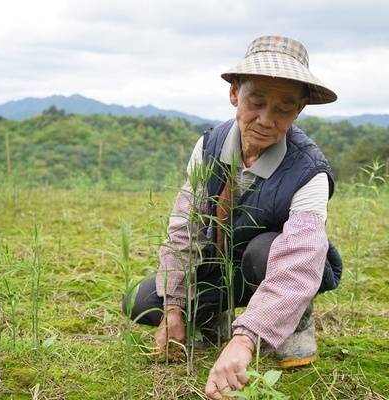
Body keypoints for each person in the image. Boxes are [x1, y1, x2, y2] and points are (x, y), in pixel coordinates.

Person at [123, 35, 343, 399]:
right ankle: (212, 317)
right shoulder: (209, 145)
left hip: (275, 266)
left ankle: (292, 318)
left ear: (299, 110)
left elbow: (300, 260)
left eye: (284, 109)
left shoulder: (310, 172)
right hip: (222, 263)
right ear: (235, 94)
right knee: (143, 302)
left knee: (264, 251)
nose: (266, 120)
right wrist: (175, 307)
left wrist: (245, 340)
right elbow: (185, 227)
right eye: (256, 102)